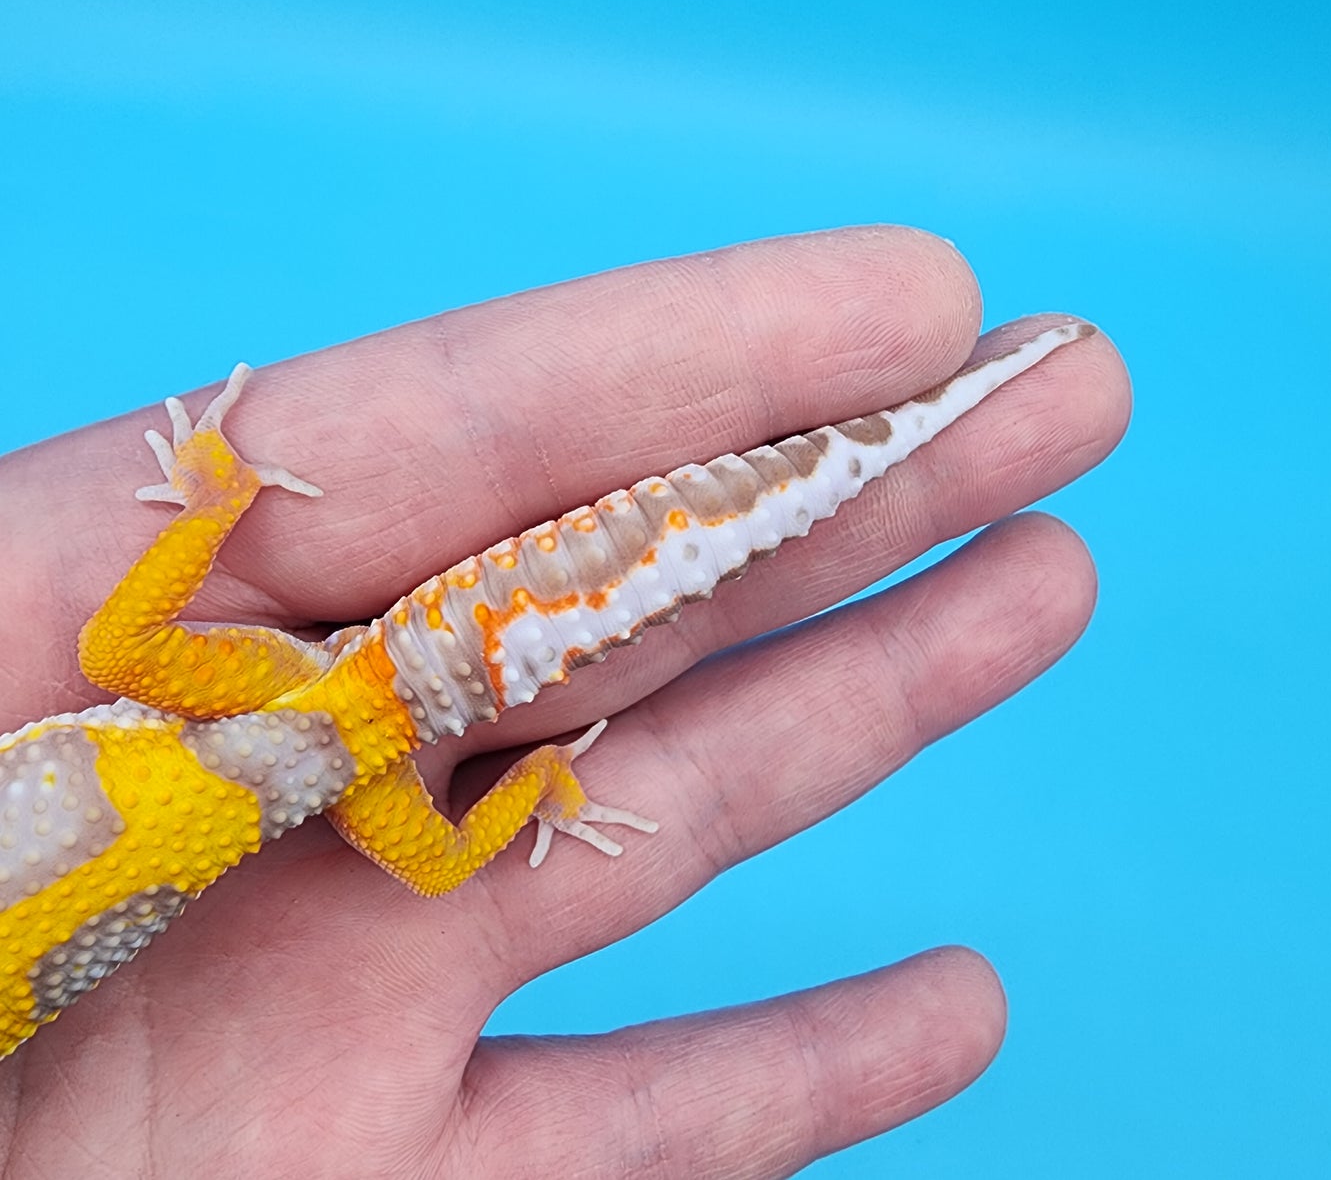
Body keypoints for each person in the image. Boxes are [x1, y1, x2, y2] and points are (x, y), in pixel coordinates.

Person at [0, 226, 1128, 1176]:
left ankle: (536, 768)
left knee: (432, 862)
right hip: (280, 739)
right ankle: (235, 501)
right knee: (128, 653)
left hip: (287, 750)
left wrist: (531, 783)